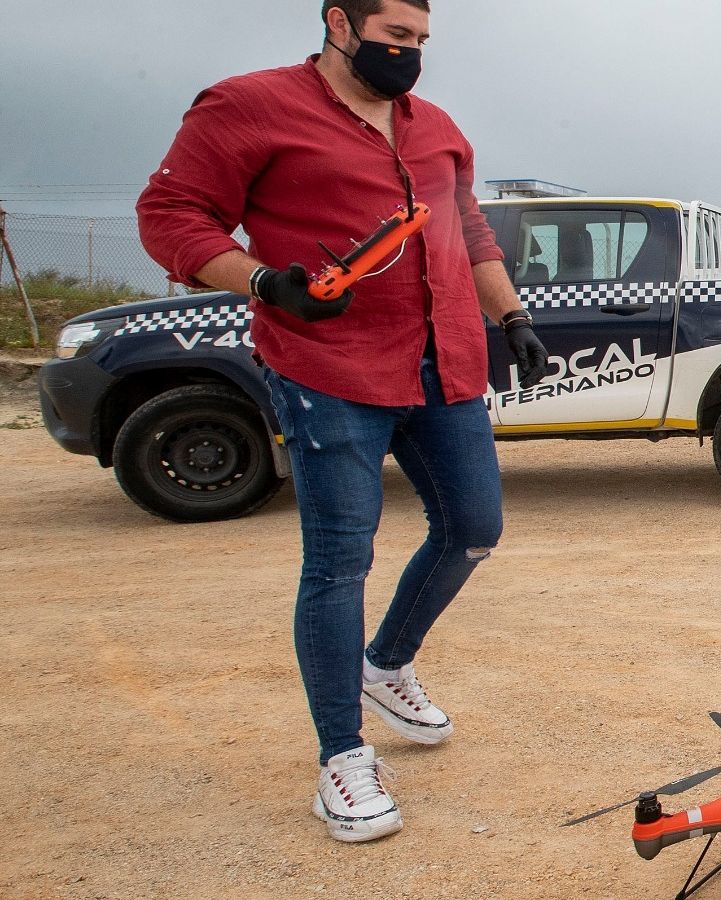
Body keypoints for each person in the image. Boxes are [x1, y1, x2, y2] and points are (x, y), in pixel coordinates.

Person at [137, 0, 550, 842]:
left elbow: (468, 229)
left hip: (446, 363)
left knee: (474, 526)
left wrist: (511, 318)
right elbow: (171, 217)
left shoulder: (434, 126)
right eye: (397, 37)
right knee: (338, 560)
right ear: (338, 21)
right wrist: (263, 283)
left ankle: (386, 662)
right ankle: (342, 760)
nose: (411, 55)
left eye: (422, 42)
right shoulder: (247, 106)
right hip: (329, 370)